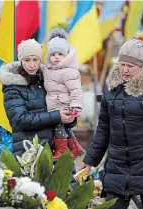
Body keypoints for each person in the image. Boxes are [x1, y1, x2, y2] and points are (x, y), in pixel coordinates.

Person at [80, 39, 143, 209]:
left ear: (142, 66)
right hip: (117, 166)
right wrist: (91, 158)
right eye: (122, 64)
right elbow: (104, 127)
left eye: (131, 66)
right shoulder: (111, 87)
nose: (125, 70)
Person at [0, 39, 76, 156]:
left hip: (58, 151)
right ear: (20, 60)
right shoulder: (12, 86)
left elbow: (63, 109)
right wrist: (58, 116)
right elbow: (21, 119)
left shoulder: (49, 80)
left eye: (35, 59)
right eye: (27, 60)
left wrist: (70, 117)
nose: (32, 65)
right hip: (29, 153)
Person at [42, 28, 84, 160]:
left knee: (58, 125)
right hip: (55, 104)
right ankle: (75, 147)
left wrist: (76, 106)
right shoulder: (48, 69)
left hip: (64, 104)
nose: (56, 57)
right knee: (65, 128)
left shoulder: (69, 71)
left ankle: (62, 149)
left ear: (65, 56)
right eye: (53, 54)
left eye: (60, 54)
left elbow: (76, 90)